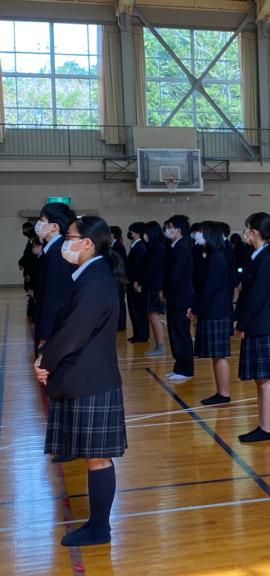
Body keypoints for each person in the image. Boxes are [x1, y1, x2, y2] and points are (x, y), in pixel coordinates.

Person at [34, 216, 128, 546]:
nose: (65, 243)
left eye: (70, 237)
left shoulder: (95, 280)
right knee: (94, 457)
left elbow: (75, 332)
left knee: (98, 457)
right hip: (85, 375)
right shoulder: (91, 274)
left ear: (87, 243)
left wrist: (45, 360)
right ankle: (97, 525)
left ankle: (100, 529)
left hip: (91, 379)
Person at [235, 213, 270, 442]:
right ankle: (262, 425)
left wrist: (242, 322)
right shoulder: (256, 256)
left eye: (246, 228)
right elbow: (246, 293)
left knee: (265, 381)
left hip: (262, 326)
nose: (244, 232)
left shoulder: (265, 259)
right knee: (259, 379)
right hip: (257, 325)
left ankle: (266, 428)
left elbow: (255, 298)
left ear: (253, 231)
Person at [188, 222, 233, 406]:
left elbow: (209, 288)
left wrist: (196, 309)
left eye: (202, 233)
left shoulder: (216, 258)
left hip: (216, 312)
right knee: (216, 355)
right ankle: (221, 392)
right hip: (211, 312)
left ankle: (224, 393)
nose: (198, 236)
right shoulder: (209, 256)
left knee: (219, 355)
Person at [33, 202, 77, 353]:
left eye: (42, 221)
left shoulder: (57, 252)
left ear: (54, 226)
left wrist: (44, 338)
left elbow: (54, 298)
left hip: (55, 330)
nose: (38, 224)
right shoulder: (54, 248)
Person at [161, 215, 194, 381]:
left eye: (170, 227)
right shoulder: (174, 246)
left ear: (178, 230)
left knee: (181, 334)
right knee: (175, 334)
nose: (168, 230)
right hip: (175, 298)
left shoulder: (182, 247)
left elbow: (175, 275)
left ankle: (186, 368)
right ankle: (179, 366)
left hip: (180, 298)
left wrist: (165, 291)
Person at [135, 222, 166, 357]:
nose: (144, 236)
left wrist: (140, 282)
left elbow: (151, 268)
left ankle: (160, 346)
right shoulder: (151, 247)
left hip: (154, 285)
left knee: (154, 316)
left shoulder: (158, 247)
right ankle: (158, 345)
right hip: (150, 285)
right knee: (150, 316)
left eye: (146, 232)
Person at [125, 222, 149, 343]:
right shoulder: (135, 245)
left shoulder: (139, 247)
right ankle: (137, 333)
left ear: (137, 233)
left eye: (132, 232)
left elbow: (136, 267)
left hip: (135, 284)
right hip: (131, 283)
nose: (130, 234)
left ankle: (142, 334)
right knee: (133, 309)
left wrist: (133, 281)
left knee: (137, 310)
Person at [110, 226, 128, 332]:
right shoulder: (113, 246)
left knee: (120, 302)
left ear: (112, 235)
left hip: (119, 279)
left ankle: (120, 325)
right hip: (117, 279)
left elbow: (120, 264)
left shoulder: (118, 246)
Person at [19, 222, 37, 320]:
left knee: (31, 290)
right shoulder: (29, 242)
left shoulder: (34, 240)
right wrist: (21, 262)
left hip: (32, 271)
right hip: (28, 270)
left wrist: (29, 274)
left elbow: (29, 257)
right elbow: (26, 255)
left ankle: (32, 312)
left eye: (24, 230)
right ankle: (30, 311)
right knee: (29, 290)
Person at [220, 222, 238, 320]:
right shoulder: (223, 245)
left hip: (228, 280)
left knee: (228, 304)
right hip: (226, 280)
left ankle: (230, 325)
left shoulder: (227, 246)